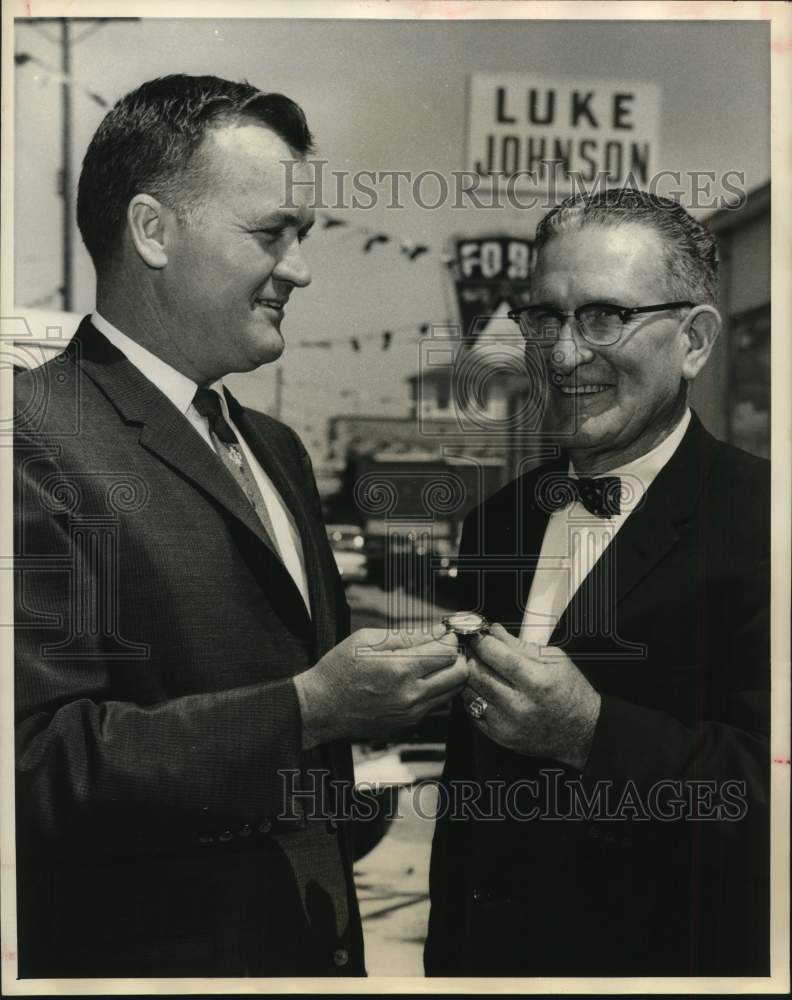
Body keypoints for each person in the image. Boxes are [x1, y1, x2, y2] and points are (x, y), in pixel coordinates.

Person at [14, 74, 466, 978]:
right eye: (271, 235)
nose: (299, 267)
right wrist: (312, 709)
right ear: (153, 231)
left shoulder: (277, 449)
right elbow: (37, 768)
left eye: (301, 236)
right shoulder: (34, 436)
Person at [425, 189, 770, 977]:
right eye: (545, 318)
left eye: (605, 318)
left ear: (695, 341)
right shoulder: (501, 523)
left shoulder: (765, 525)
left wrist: (591, 733)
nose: (565, 353)